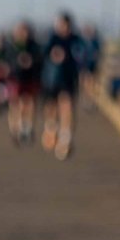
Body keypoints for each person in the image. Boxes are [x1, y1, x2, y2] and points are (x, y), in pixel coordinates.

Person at [41, 11, 83, 161]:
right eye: (60, 24)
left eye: (64, 24)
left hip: (69, 78)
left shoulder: (76, 40)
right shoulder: (52, 38)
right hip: (52, 79)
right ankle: (50, 128)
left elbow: (82, 57)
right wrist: (52, 54)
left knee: (67, 106)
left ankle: (65, 137)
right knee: (51, 107)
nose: (62, 27)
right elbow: (43, 54)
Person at [7, 21, 42, 146]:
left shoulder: (34, 46)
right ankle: (15, 128)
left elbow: (40, 60)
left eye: (25, 31)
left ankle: (26, 127)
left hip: (30, 78)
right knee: (15, 104)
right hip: (15, 79)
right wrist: (17, 63)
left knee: (29, 102)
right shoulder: (11, 45)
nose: (23, 34)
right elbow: (6, 61)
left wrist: (31, 62)